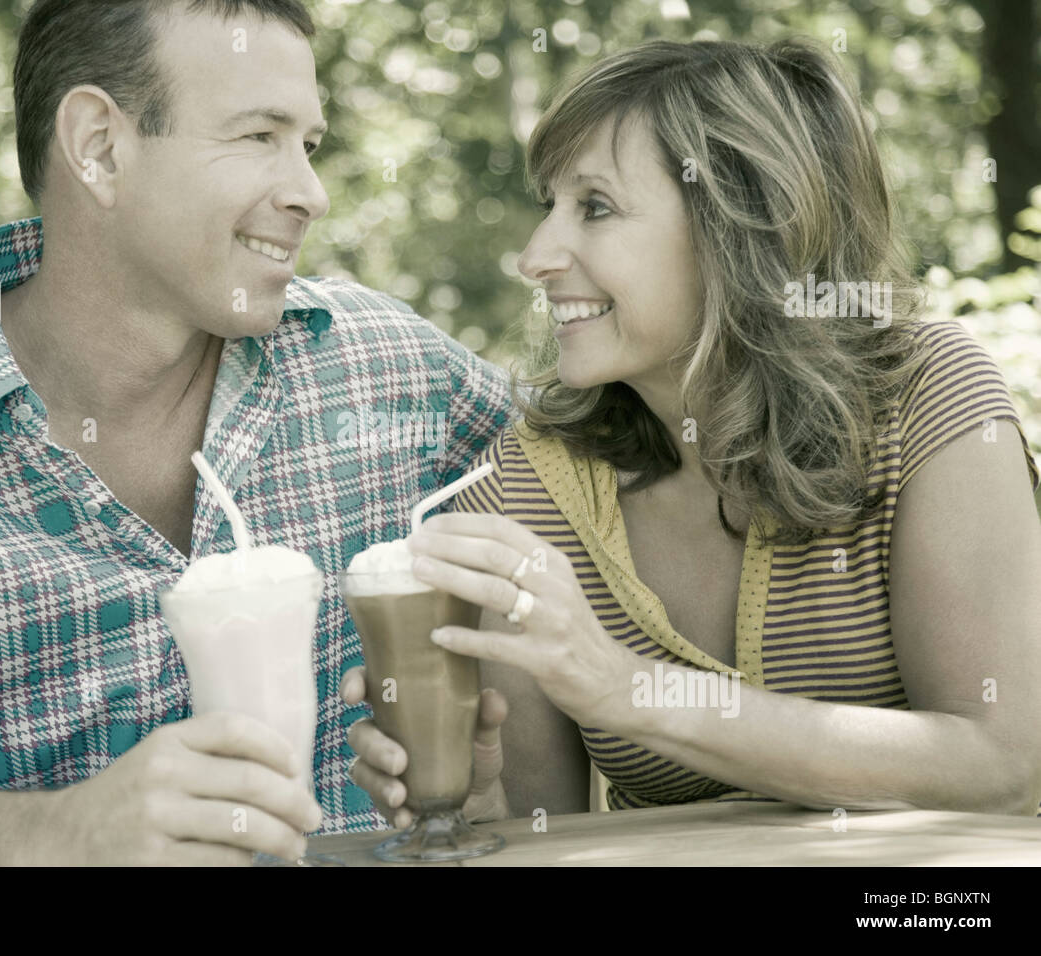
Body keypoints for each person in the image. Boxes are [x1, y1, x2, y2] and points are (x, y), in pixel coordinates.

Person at [0, 0, 512, 864]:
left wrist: (501, 783)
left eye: (310, 144)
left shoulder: (387, 367)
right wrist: (59, 835)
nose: (310, 192)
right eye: (260, 137)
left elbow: (620, 465)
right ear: (100, 146)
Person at [343, 38, 1041, 825]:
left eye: (596, 208)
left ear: (738, 228)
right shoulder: (527, 487)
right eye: (550, 207)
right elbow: (547, 838)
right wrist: (476, 800)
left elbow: (1002, 769)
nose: (536, 255)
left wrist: (630, 689)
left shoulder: (924, 396)